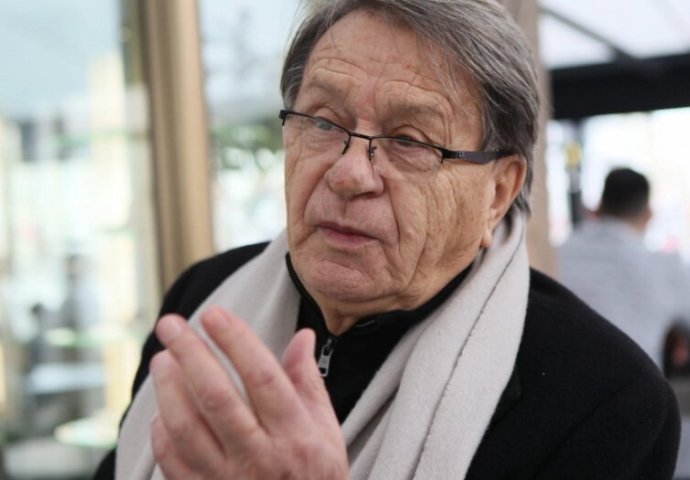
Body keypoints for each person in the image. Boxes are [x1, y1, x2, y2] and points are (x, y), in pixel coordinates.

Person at [94, 1, 680, 478]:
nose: (349, 174)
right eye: (323, 121)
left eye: (411, 141)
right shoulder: (205, 296)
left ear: (498, 192)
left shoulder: (606, 401)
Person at [559, 167, 690, 369]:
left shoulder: (558, 254)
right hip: (638, 387)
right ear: (648, 215)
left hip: (558, 382)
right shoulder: (665, 267)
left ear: (598, 208)